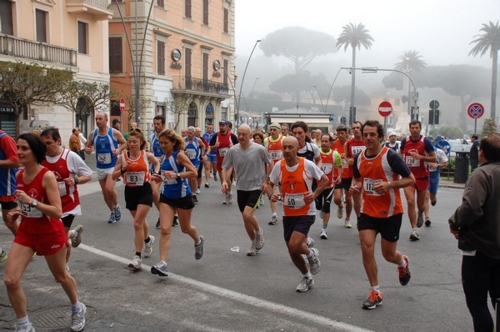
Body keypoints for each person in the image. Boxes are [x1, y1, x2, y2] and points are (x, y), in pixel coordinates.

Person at [4, 133, 86, 332]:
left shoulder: (46, 176)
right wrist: (17, 211)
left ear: (35, 151)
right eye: (18, 148)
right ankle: (24, 324)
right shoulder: (18, 175)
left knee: (60, 276)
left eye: (24, 148)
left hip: (50, 232)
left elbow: (57, 211)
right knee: (10, 280)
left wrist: (32, 202)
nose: (19, 152)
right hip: (27, 232)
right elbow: (26, 207)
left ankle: (77, 307)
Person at [349, 120, 415, 310]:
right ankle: (375, 291)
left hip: (391, 212)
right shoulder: (360, 158)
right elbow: (358, 179)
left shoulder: (391, 157)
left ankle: (402, 262)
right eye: (366, 134)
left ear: (380, 136)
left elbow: (410, 179)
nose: (368, 138)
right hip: (368, 211)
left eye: (372, 134)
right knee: (366, 247)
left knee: (388, 255)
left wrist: (389, 185)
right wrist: (356, 186)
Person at [448, 133, 500, 332]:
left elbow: (471, 207)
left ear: (482, 153)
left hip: (480, 248)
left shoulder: (482, 174)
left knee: (478, 304)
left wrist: (455, 223)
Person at [268, 136, 328, 292]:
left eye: (291, 147)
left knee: (294, 244)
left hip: (306, 211)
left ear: (297, 148)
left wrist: (314, 195)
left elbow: (325, 180)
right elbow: (268, 184)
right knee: (291, 249)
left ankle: (310, 253)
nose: (287, 151)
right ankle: (307, 277)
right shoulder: (279, 166)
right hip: (288, 213)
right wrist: (271, 194)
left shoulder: (307, 165)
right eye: (285, 147)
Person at [150, 129, 204, 277]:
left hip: (182, 196)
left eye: (165, 143)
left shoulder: (179, 155)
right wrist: (158, 177)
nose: (162, 145)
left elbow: (194, 172)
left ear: (173, 142)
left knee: (185, 228)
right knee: (165, 229)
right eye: (160, 143)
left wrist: (177, 174)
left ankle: (198, 240)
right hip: (167, 196)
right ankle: (162, 263)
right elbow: (165, 176)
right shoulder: (162, 158)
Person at [40, 128, 93, 272]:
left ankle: (65, 266)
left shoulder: (70, 156)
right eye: (43, 143)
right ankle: (73, 234)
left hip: (68, 205)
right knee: (52, 236)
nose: (46, 146)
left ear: (58, 141)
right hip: (48, 206)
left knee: (61, 240)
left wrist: (75, 180)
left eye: (49, 142)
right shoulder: (40, 158)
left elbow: (88, 175)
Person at [221, 125, 273, 256]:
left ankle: (259, 231)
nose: (241, 136)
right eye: (239, 134)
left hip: (256, 186)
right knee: (245, 219)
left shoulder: (259, 149)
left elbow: (270, 163)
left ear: (250, 135)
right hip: (241, 187)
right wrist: (224, 181)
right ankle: (253, 243)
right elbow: (225, 168)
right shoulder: (233, 151)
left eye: (244, 134)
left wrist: (265, 181)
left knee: (247, 215)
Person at [112, 129, 160, 270]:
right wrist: (122, 170)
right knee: (140, 222)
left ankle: (137, 257)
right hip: (130, 191)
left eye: (135, 142)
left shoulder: (146, 155)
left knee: (137, 224)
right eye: (130, 142)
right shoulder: (123, 157)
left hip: (144, 189)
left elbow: (157, 163)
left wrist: (155, 173)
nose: (132, 144)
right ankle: (147, 240)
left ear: (141, 143)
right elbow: (113, 176)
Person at [85, 112, 127, 224]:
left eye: (100, 119)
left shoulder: (114, 132)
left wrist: (118, 150)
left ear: (106, 120)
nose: (98, 121)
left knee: (109, 189)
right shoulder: (93, 134)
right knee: (105, 192)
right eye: (96, 119)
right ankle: (112, 211)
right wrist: (87, 149)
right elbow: (88, 146)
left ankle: (117, 206)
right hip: (100, 166)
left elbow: (124, 143)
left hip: (112, 165)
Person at [399, 120, 436, 241]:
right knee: (410, 202)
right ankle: (414, 230)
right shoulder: (405, 141)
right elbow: (401, 153)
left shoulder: (425, 141)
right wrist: (399, 163)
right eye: (412, 128)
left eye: (417, 128)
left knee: (420, 205)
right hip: (408, 177)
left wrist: (421, 157)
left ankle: (420, 213)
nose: (414, 130)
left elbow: (434, 158)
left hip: (422, 177)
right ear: (409, 129)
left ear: (420, 129)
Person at [317, 134, 343, 239]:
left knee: (327, 205)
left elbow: (340, 166)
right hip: (318, 186)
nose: (323, 143)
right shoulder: (317, 153)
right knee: (318, 206)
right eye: (322, 141)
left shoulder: (335, 154)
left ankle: (324, 230)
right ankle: (321, 207)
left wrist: (339, 176)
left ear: (330, 143)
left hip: (330, 185)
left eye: (326, 141)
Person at [0, 129, 20, 262]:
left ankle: (26, 245)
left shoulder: (4, 138)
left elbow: (16, 161)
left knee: (10, 220)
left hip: (5, 185)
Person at [209, 119, 238, 204]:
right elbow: (210, 147)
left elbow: (239, 147)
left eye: (223, 125)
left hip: (230, 162)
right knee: (222, 181)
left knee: (227, 178)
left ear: (227, 126)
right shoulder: (216, 136)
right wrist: (215, 146)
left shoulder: (232, 136)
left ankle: (228, 195)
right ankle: (228, 194)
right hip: (220, 162)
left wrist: (233, 146)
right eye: (220, 125)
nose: (221, 127)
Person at [344, 121, 366, 226]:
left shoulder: (367, 141)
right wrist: (348, 161)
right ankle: (359, 219)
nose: (356, 130)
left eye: (358, 127)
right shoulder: (349, 143)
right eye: (354, 128)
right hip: (355, 175)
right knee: (357, 201)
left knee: (368, 199)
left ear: (361, 129)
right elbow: (346, 156)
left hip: (368, 173)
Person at [263, 123, 284, 225]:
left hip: (282, 169)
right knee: (271, 191)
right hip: (271, 169)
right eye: (270, 130)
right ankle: (274, 214)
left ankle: (287, 212)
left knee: (283, 192)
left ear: (279, 131)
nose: (272, 132)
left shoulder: (283, 140)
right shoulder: (267, 140)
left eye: (274, 130)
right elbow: (266, 156)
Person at [423, 144, 448, 227]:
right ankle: (427, 217)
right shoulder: (422, 152)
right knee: (426, 196)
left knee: (431, 197)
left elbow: (445, 163)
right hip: (425, 176)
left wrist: (438, 165)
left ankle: (434, 198)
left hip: (435, 175)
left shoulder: (439, 152)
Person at [332, 125, 350, 227]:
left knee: (348, 199)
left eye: (342, 133)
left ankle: (347, 218)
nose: (340, 135)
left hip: (348, 175)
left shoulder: (349, 144)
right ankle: (340, 206)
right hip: (338, 175)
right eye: (338, 133)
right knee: (337, 199)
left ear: (346, 133)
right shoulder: (334, 144)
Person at [185, 126, 205, 204]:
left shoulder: (198, 140)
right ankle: (191, 192)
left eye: (190, 133)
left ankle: (194, 194)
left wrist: (202, 154)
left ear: (194, 133)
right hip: (187, 161)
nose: (189, 135)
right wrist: (184, 153)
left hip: (195, 161)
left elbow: (203, 146)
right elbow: (181, 148)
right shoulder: (184, 140)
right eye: (188, 133)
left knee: (193, 177)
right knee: (189, 178)